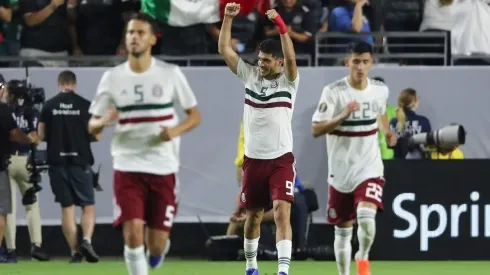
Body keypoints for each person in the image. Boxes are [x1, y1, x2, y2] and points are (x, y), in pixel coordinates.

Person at [87, 12, 201, 275]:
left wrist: (174, 131)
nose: (134, 37)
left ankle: (160, 249)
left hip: (163, 168)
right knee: (133, 234)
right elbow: (92, 129)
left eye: (140, 33)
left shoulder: (170, 74)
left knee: (156, 245)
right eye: (130, 33)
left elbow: (195, 116)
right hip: (127, 166)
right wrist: (103, 120)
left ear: (152, 39)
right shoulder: (112, 77)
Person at [218, 3, 300, 275]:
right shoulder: (250, 76)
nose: (261, 64)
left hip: (281, 159)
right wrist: (228, 19)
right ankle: (251, 267)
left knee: (280, 211)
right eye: (259, 59)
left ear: (277, 62)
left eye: (266, 60)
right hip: (254, 160)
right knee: (252, 216)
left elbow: (291, 59)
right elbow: (225, 50)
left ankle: (283, 270)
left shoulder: (289, 82)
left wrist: (281, 26)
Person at [311, 41, 397, 275]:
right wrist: (343, 115)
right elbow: (316, 129)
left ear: (372, 63)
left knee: (367, 219)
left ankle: (363, 255)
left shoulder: (380, 90)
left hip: (369, 167)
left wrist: (387, 133)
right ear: (347, 62)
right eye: (356, 61)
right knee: (343, 231)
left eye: (365, 62)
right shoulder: (334, 92)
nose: (360, 66)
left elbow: (380, 113)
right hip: (340, 171)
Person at [37, 71, 100, 263]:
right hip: (80, 162)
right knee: (87, 206)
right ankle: (87, 240)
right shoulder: (85, 105)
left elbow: (40, 135)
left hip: (57, 163)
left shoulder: (48, 106)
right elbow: (96, 135)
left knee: (67, 208)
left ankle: (75, 253)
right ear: (74, 84)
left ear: (59, 84)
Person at [2, 80, 50, 263]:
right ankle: (36, 246)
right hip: (26, 162)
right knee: (32, 205)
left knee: (9, 208)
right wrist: (29, 139)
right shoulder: (33, 111)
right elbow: (36, 139)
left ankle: (11, 250)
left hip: (7, 160)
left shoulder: (5, 110)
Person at [0, 75, 34, 262]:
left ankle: (9, 248)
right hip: (1, 166)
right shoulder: (3, 109)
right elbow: (14, 135)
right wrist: (29, 139)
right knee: (3, 211)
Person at [389, 88, 432, 159]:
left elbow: (391, 145)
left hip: (397, 166)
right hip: (418, 166)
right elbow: (428, 145)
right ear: (415, 102)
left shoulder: (393, 122)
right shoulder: (423, 121)